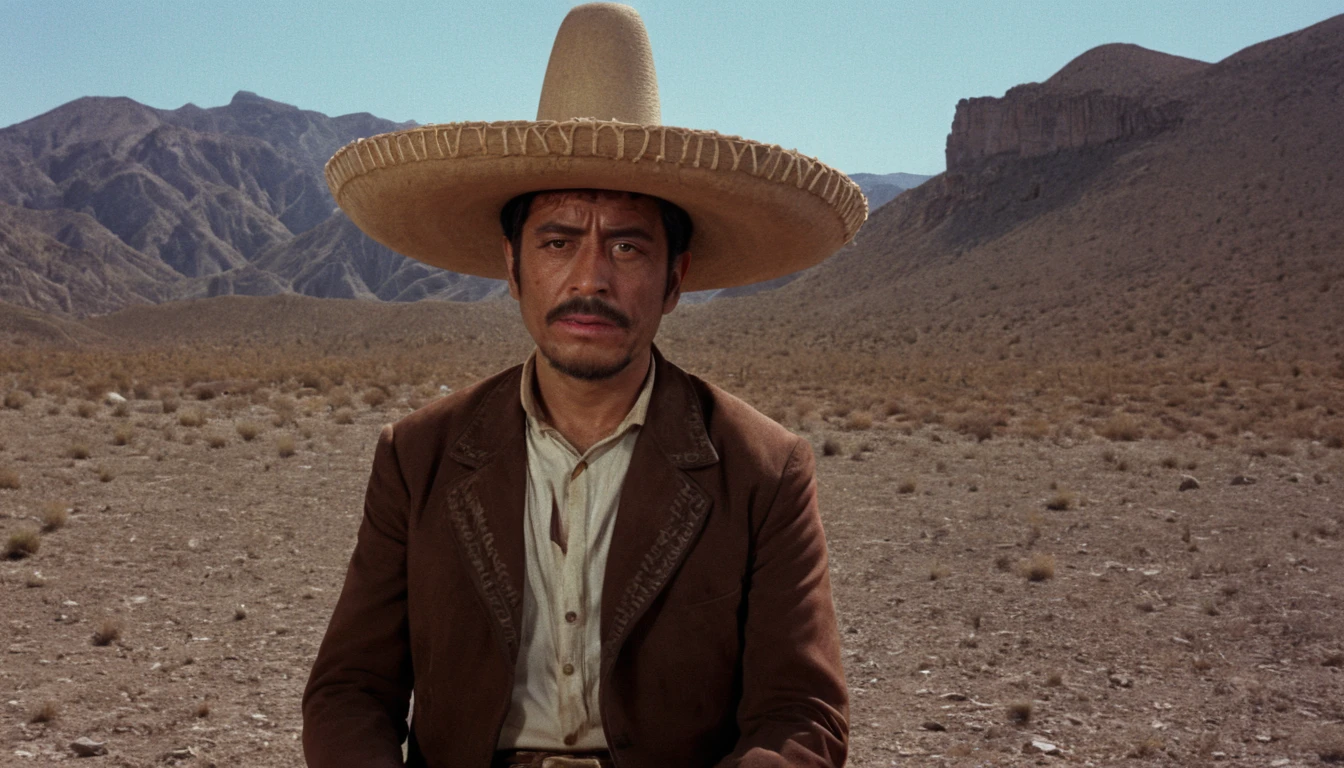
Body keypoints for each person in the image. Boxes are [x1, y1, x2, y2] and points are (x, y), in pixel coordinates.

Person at [302, 4, 867, 767]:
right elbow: (350, 691)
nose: (589, 277)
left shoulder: (762, 470)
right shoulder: (420, 456)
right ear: (512, 268)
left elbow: (799, 714)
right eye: (558, 240)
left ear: (676, 278)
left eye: (628, 246)